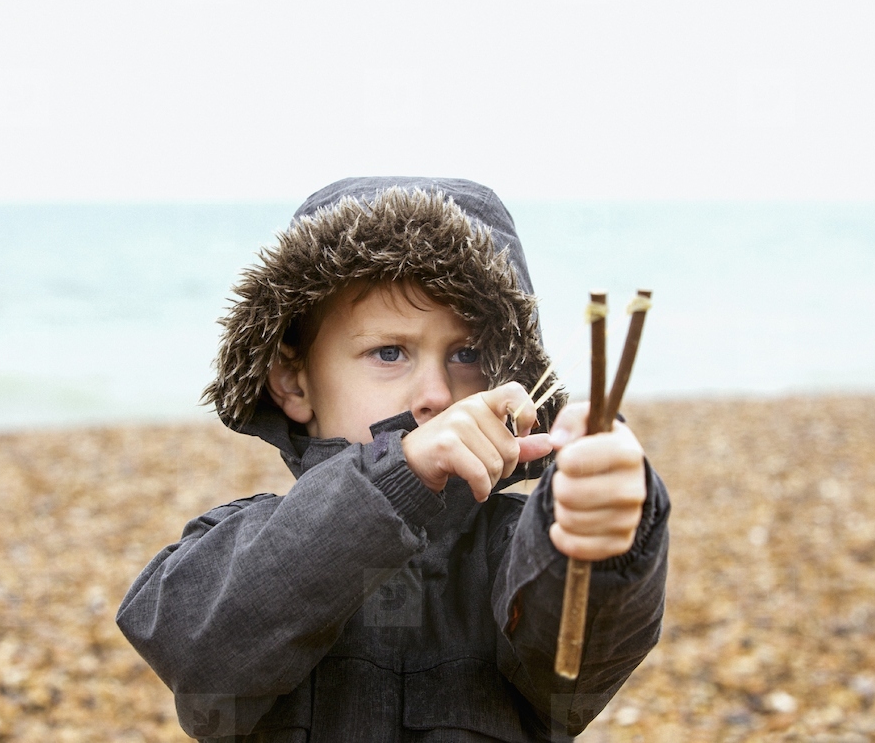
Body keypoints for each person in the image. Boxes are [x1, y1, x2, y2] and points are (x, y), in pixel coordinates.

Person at [117, 177, 670, 742]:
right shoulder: (240, 542)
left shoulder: (514, 546)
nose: (433, 392)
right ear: (292, 380)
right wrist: (395, 474)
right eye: (389, 352)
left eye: (467, 354)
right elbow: (200, 654)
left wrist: (602, 522)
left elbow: (578, 664)